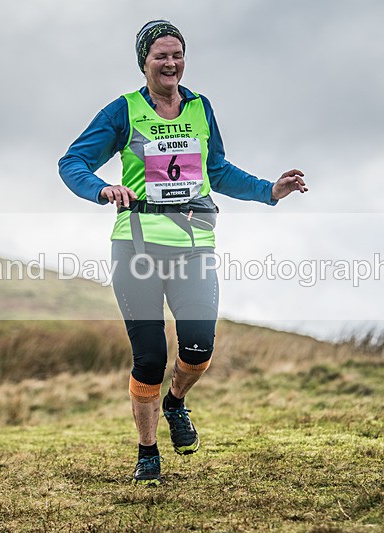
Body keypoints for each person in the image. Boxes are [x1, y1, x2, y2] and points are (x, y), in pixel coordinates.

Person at [58, 20, 307, 485]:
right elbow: (71, 161)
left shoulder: (200, 108)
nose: (170, 64)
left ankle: (176, 401)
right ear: (144, 63)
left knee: (198, 348)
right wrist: (102, 189)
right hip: (136, 245)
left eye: (177, 55)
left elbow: (217, 170)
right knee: (149, 358)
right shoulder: (124, 111)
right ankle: (147, 452)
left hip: (194, 245)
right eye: (160, 57)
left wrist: (269, 190)